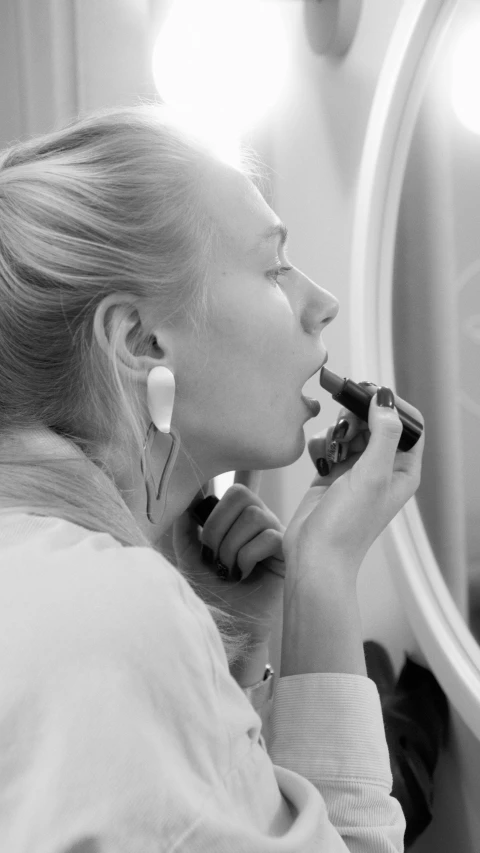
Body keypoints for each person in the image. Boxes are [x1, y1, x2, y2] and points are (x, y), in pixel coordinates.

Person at [0, 104, 424, 852]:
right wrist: (322, 574)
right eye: (273, 267)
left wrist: (233, 657)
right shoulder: (118, 615)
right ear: (139, 339)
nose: (321, 305)